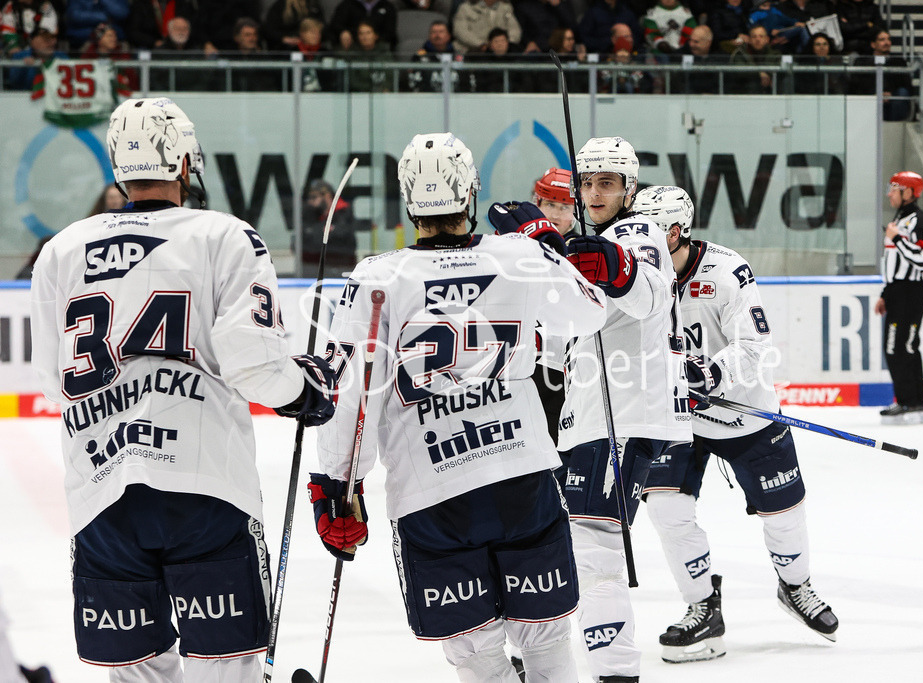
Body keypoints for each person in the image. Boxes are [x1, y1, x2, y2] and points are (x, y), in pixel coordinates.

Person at [29, 96, 338, 681]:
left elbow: (51, 379)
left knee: (138, 673)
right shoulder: (224, 236)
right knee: (226, 667)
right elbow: (252, 362)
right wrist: (303, 392)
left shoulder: (62, 250)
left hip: (102, 494)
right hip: (206, 490)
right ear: (185, 163)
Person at [313, 131, 607, 682]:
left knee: (477, 657)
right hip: (522, 476)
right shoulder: (518, 254)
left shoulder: (378, 275)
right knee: (546, 645)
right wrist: (546, 246)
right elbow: (589, 314)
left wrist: (336, 486)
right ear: (471, 191)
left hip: (433, 493)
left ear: (407, 199)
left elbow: (352, 396)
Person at [631, 185, 840, 664]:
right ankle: (702, 604)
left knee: (784, 514)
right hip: (679, 419)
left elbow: (755, 346)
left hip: (743, 409)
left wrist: (709, 374)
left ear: (677, 232)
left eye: (650, 239)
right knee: (667, 509)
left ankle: (795, 586)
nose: (639, 251)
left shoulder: (727, 272)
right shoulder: (638, 277)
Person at [556, 137, 688, 682]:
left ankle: (615, 672)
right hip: (603, 412)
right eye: (586, 183)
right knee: (584, 548)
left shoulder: (637, 231)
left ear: (630, 188)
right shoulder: (599, 236)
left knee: (596, 557)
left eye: (606, 183)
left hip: (621, 414)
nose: (594, 193)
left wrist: (615, 266)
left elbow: (653, 296)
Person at [874, 171, 923, 424]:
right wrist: (885, 294)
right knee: (899, 346)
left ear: (908, 192)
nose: (889, 193)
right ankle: (911, 400)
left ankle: (911, 401)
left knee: (902, 346)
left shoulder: (920, 221)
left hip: (912, 290)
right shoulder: (901, 219)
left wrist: (896, 238)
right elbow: (894, 262)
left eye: (894, 189)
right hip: (898, 291)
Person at [848, 27, 911, 120]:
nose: (887, 43)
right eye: (882, 40)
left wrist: (890, 93)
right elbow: (857, 86)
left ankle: (895, 126)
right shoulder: (862, 62)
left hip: (891, 102)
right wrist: (876, 93)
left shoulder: (899, 61)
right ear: (873, 44)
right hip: (870, 101)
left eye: (888, 39)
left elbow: (906, 84)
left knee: (902, 92)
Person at [300, 178, 357, 275]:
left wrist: (317, 234)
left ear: (327, 196)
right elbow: (302, 241)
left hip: (341, 268)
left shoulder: (344, 212)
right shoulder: (310, 212)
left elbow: (347, 243)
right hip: (312, 268)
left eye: (314, 197)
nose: (310, 201)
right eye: (308, 198)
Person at [452, 0, 522, 54]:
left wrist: (505, 43)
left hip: (501, 54)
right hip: (473, 52)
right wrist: (481, 44)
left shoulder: (506, 7)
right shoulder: (465, 8)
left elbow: (515, 29)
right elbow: (460, 31)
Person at [327, 0, 398, 51]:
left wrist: (374, 39)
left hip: (379, 49)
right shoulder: (346, 4)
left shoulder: (387, 6)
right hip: (352, 47)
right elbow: (334, 25)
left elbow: (390, 32)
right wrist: (342, 31)